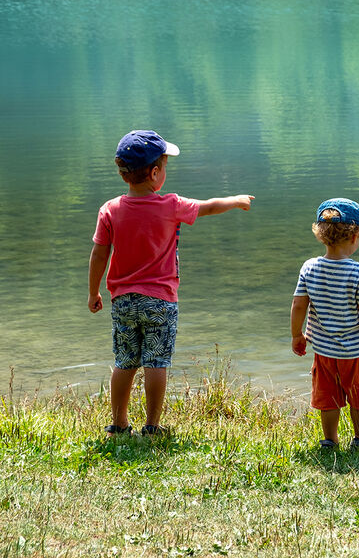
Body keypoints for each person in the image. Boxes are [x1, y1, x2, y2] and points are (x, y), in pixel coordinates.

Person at [88, 130, 254, 436]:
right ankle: (151, 426)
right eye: (164, 166)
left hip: (123, 300)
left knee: (124, 361)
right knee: (156, 361)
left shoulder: (109, 210)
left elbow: (99, 254)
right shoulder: (171, 205)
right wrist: (236, 200)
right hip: (161, 300)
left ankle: (119, 423)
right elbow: (209, 207)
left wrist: (93, 291)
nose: (165, 172)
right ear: (154, 173)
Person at [290, 198, 359, 451]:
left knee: (328, 398)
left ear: (321, 235)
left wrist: (296, 335)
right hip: (355, 352)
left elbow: (299, 304)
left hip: (323, 351)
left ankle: (329, 441)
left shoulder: (309, 268)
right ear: (355, 236)